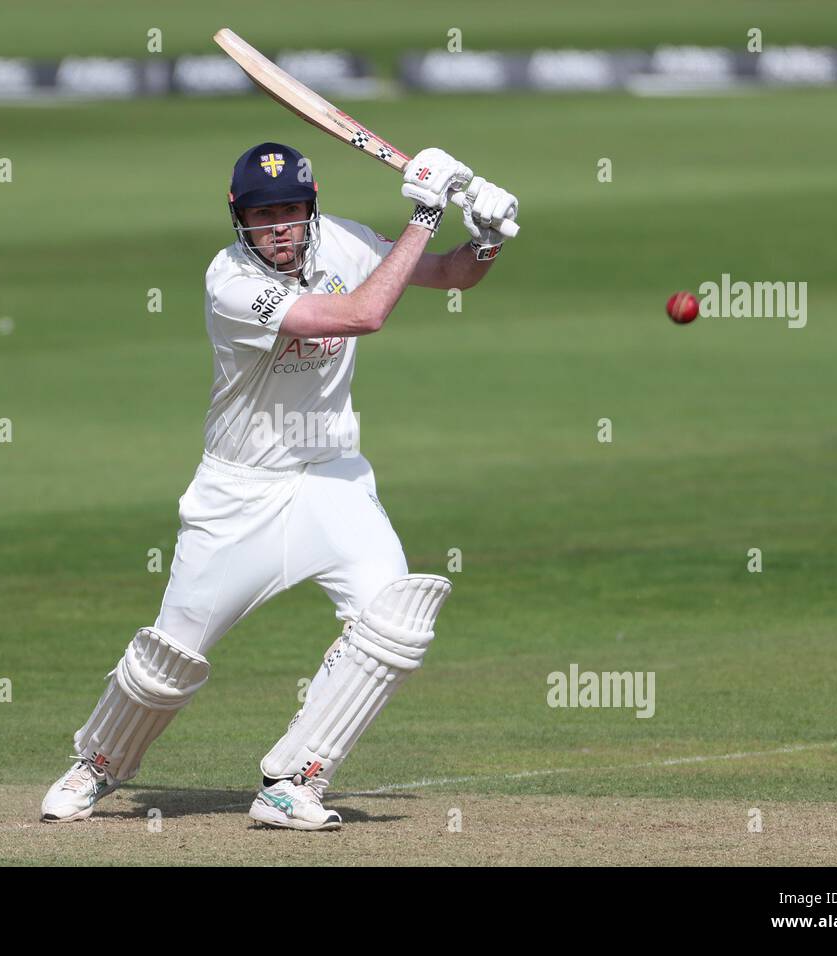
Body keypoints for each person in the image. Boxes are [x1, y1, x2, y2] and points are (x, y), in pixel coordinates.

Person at [41, 141, 518, 830]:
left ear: (311, 208)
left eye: (293, 212)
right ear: (240, 220)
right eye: (265, 218)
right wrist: (425, 211)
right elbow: (360, 316)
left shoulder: (345, 242)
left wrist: (485, 238)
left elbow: (445, 275)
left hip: (333, 481)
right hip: (240, 493)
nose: (282, 230)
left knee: (395, 621)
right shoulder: (229, 282)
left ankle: (294, 781)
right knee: (168, 662)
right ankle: (98, 763)